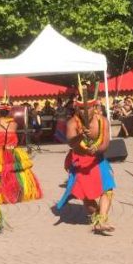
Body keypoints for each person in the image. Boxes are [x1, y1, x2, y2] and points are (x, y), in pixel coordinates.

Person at [56, 91, 116, 234]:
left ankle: (102, 219)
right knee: (87, 197)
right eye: (81, 108)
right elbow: (70, 143)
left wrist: (95, 149)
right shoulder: (72, 122)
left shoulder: (103, 121)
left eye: (88, 108)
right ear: (77, 108)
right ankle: (97, 218)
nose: (85, 111)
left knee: (107, 189)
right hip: (80, 162)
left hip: (98, 160)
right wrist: (80, 136)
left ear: (94, 107)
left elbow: (106, 143)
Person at [0, 101, 42, 204]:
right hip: (13, 151)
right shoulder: (14, 124)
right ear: (9, 112)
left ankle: (3, 194)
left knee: (0, 173)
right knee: (15, 173)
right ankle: (17, 192)